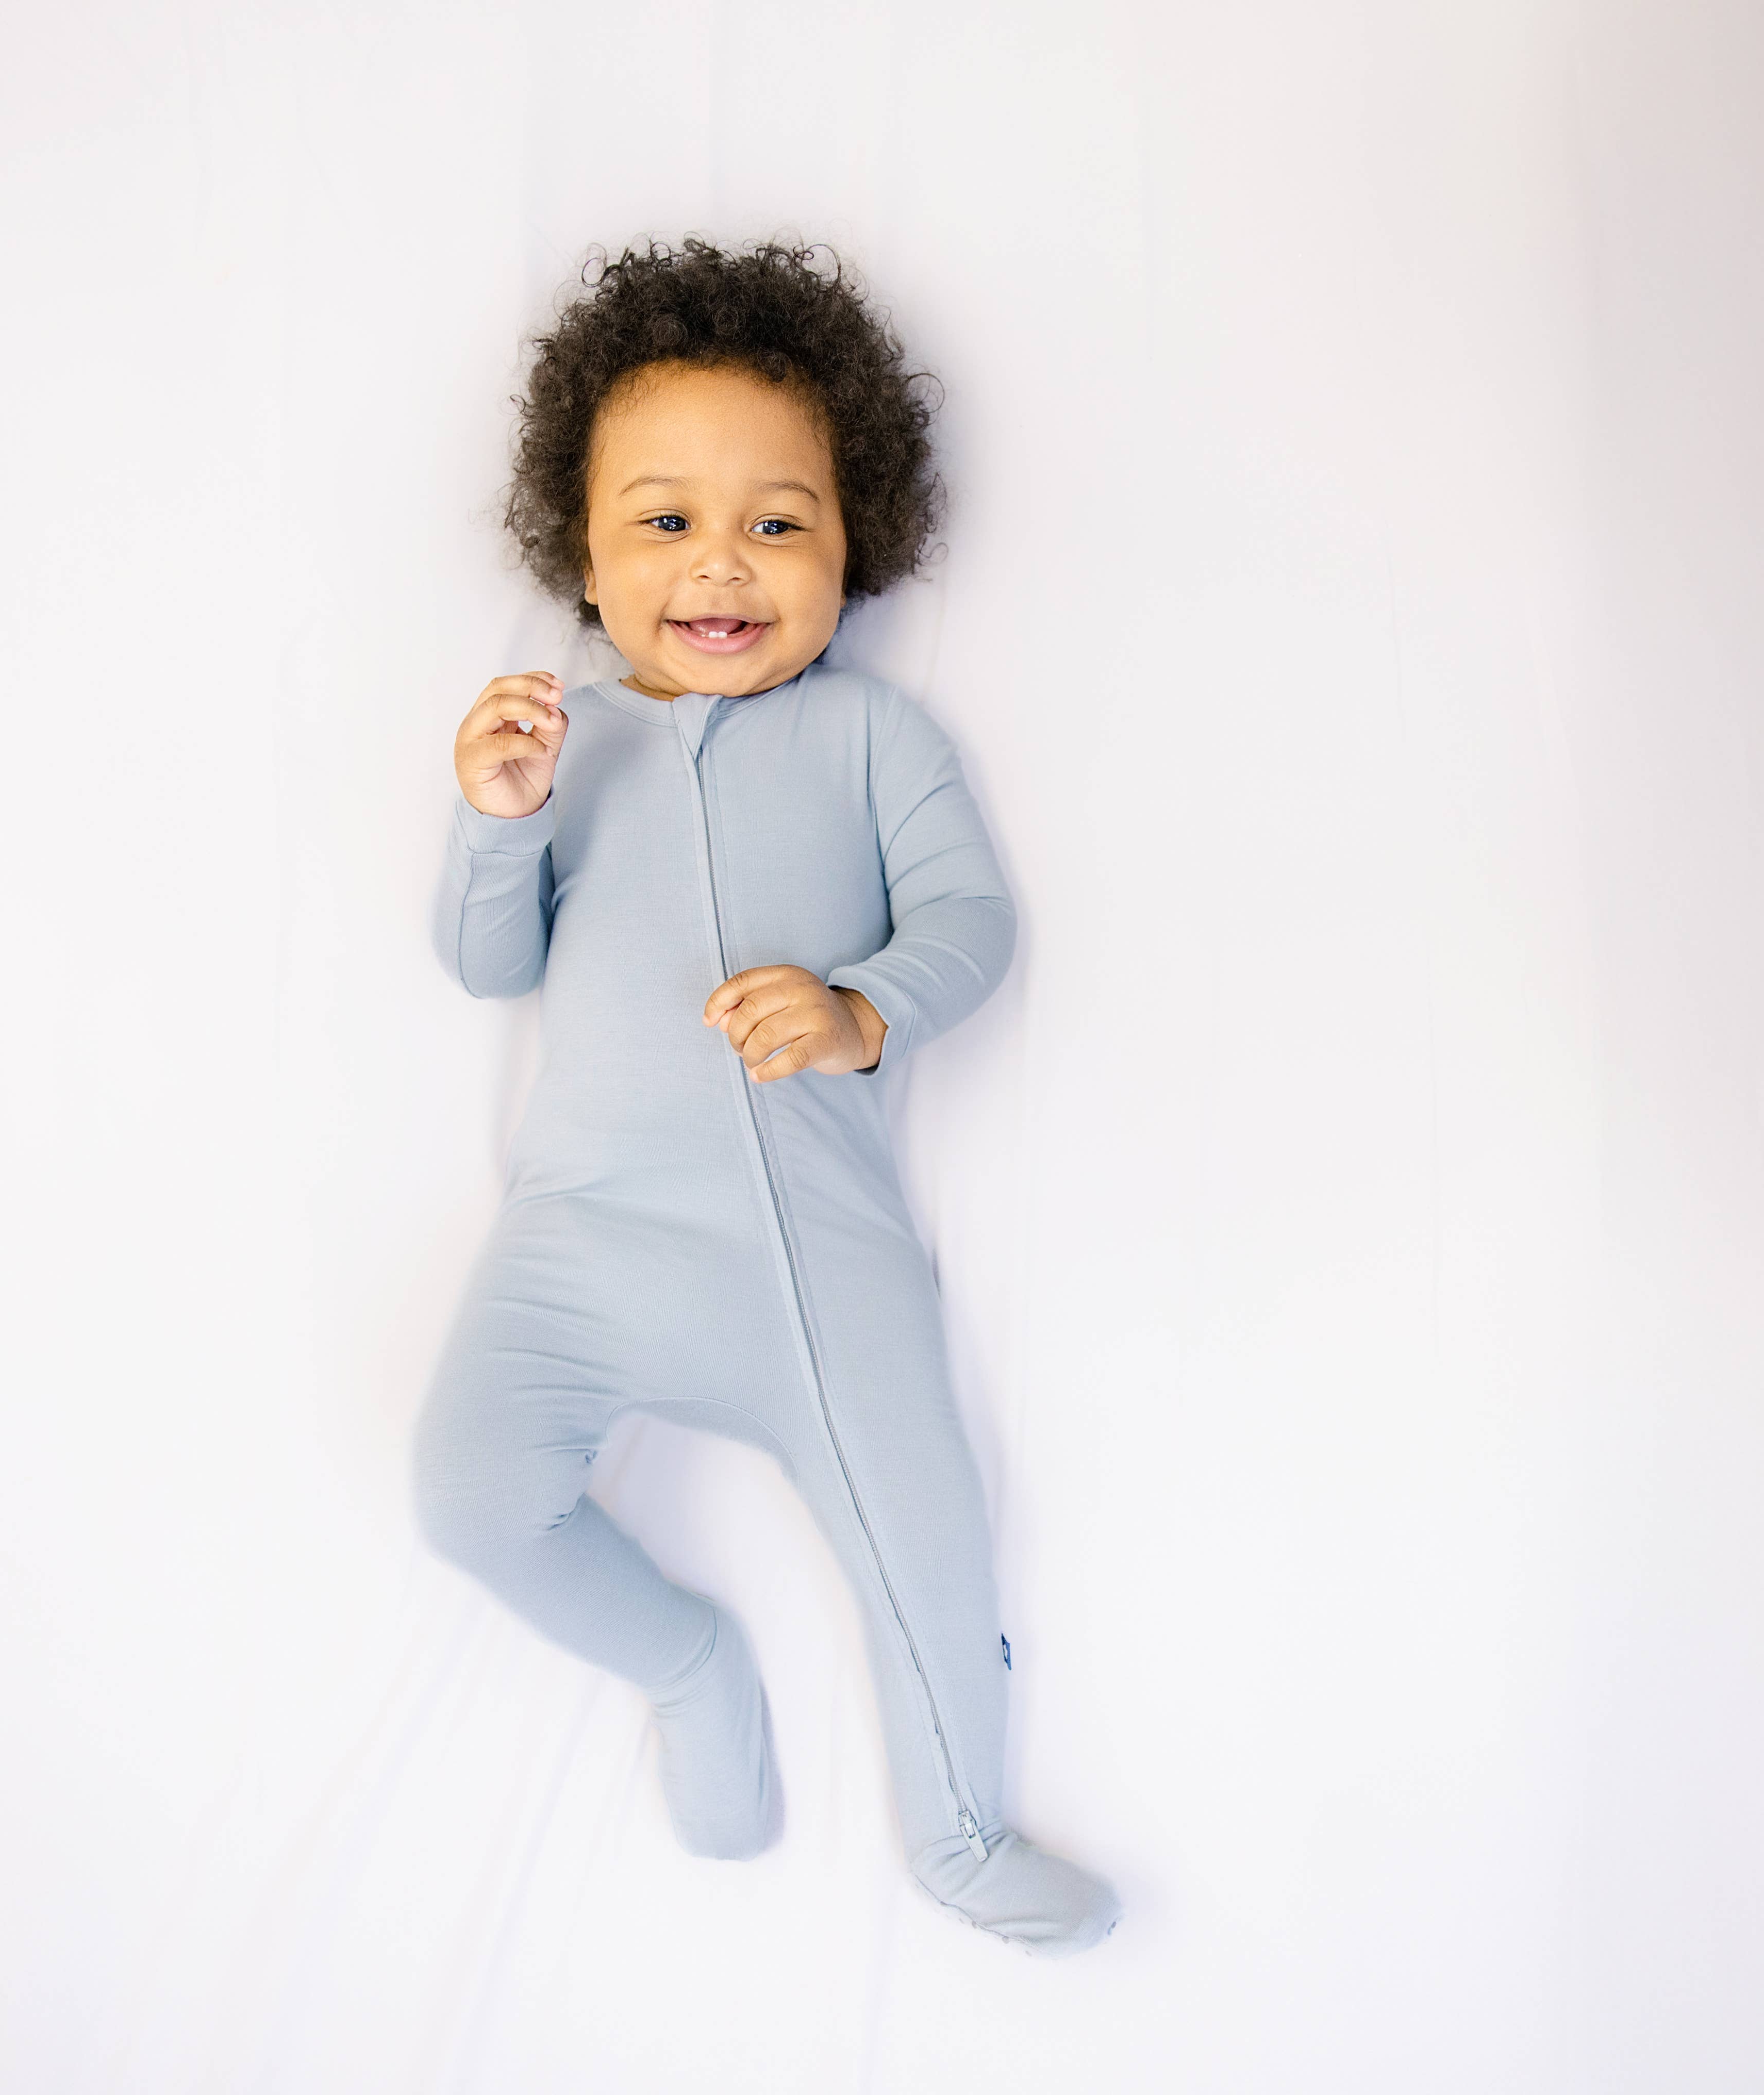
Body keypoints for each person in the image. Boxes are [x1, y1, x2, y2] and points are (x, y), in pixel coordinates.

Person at [413, 238, 1120, 1955]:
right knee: (466, 1499)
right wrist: (497, 821)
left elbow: (970, 923)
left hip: (817, 1262)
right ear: (581, 551)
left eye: (778, 522)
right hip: (583, 1241)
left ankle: (961, 1836)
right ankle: (687, 1664)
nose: (721, 562)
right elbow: (488, 965)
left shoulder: (875, 741)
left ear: (853, 542)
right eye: (665, 520)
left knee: (931, 1548)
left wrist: (861, 1009)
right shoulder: (567, 740)